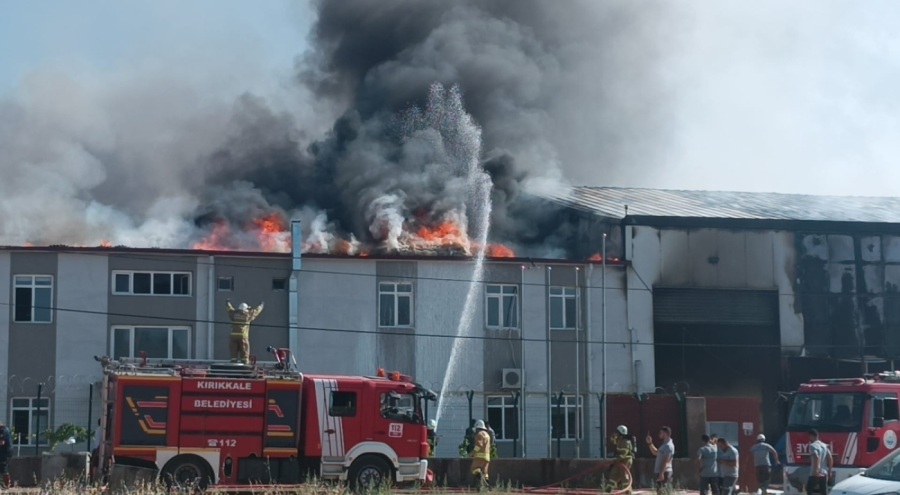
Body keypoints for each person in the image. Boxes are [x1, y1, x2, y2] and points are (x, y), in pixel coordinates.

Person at [226, 300, 264, 364]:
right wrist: (261, 305)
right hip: (243, 336)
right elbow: (256, 311)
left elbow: (229, 309)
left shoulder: (234, 314)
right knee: (245, 355)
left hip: (233, 336)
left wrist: (227, 303)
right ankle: (245, 366)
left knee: (233, 355)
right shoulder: (248, 315)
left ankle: (233, 365)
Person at [647, 426, 675, 495]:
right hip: (661, 472)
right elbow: (656, 452)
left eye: (660, 433)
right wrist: (650, 443)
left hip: (665, 472)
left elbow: (666, 461)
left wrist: (661, 473)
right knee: (660, 492)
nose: (659, 434)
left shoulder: (669, 446)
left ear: (665, 433)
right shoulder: (664, 445)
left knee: (663, 492)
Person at [806, 429, 833, 495]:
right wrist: (830, 471)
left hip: (815, 473)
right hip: (824, 473)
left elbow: (816, 457)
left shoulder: (812, 446)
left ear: (812, 436)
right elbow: (830, 458)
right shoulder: (824, 445)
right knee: (823, 491)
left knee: (808, 490)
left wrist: (816, 470)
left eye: (809, 436)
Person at [470, 420, 492, 489]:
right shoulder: (487, 435)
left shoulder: (479, 434)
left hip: (479, 456)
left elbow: (479, 445)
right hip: (487, 457)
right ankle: (487, 486)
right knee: (485, 472)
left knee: (474, 469)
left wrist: (472, 453)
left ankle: (480, 482)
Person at [0, 421, 11, 488]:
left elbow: (2, 442)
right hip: (2, 451)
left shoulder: (3, 430)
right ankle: (3, 484)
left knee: (4, 468)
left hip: (6, 452)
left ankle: (7, 485)